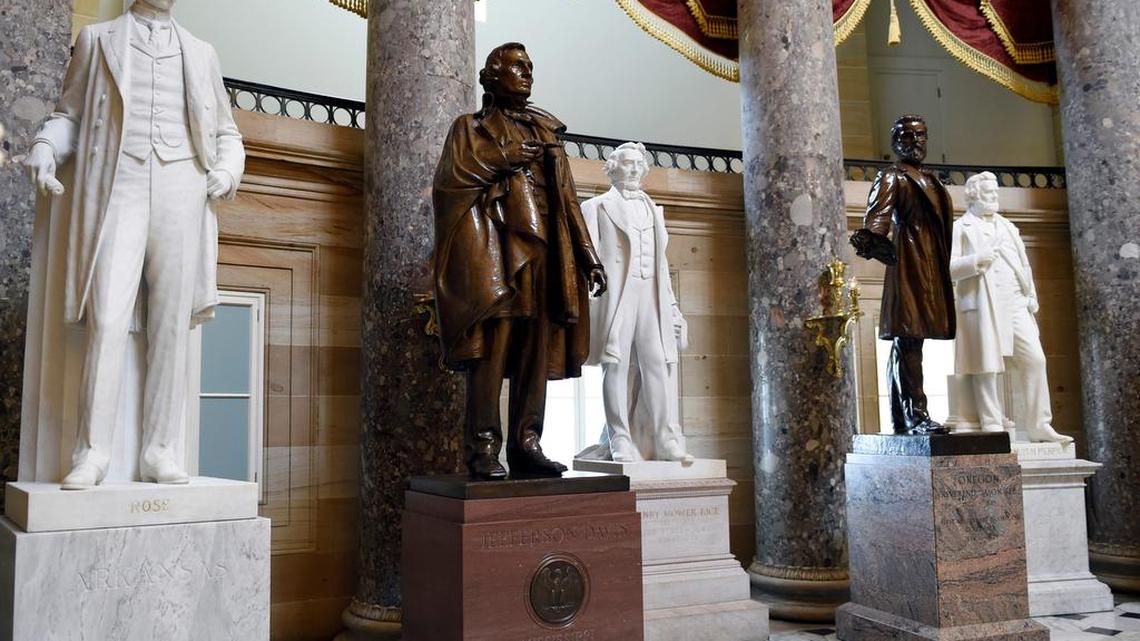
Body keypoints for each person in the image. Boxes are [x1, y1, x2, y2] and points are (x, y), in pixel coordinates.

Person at [21, 0, 244, 489]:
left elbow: (228, 132)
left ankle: (160, 450)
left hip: (182, 183)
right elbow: (70, 116)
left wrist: (227, 170)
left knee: (170, 323)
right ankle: (93, 452)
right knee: (107, 316)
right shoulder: (99, 41)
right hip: (117, 183)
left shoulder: (201, 53)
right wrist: (44, 146)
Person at [432, 43, 607, 480]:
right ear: (492, 77)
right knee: (494, 349)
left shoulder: (546, 130)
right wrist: (504, 159)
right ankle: (484, 449)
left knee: (535, 349)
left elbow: (568, 201)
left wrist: (589, 258)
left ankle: (527, 443)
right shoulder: (469, 129)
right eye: (518, 67)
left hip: (548, 249)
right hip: (498, 249)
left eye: (531, 67)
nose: (527, 74)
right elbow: (449, 184)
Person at [580, 142, 691, 462]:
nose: (632, 169)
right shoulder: (596, 207)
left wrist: (671, 306)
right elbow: (587, 264)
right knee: (615, 365)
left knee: (656, 363)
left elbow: (660, 265)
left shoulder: (653, 210)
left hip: (651, 295)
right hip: (616, 296)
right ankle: (620, 439)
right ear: (613, 167)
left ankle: (665, 437)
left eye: (637, 164)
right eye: (626, 163)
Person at [950, 172, 1072, 443]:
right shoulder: (961, 227)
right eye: (989, 193)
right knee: (986, 365)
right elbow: (949, 269)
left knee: (1035, 360)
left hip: (1016, 302)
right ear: (974, 195)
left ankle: (1039, 424)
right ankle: (992, 424)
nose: (995, 197)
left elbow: (1023, 264)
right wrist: (977, 260)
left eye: (996, 192)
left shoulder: (1008, 226)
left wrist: (1031, 294)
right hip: (983, 302)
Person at [851, 115, 954, 435]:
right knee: (908, 339)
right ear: (895, 143)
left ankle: (903, 416)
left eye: (921, 135)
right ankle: (915, 415)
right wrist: (876, 243)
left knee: (910, 341)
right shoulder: (892, 177)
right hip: (909, 264)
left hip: (931, 266)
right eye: (908, 136)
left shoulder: (932, 181)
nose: (916, 142)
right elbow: (875, 223)